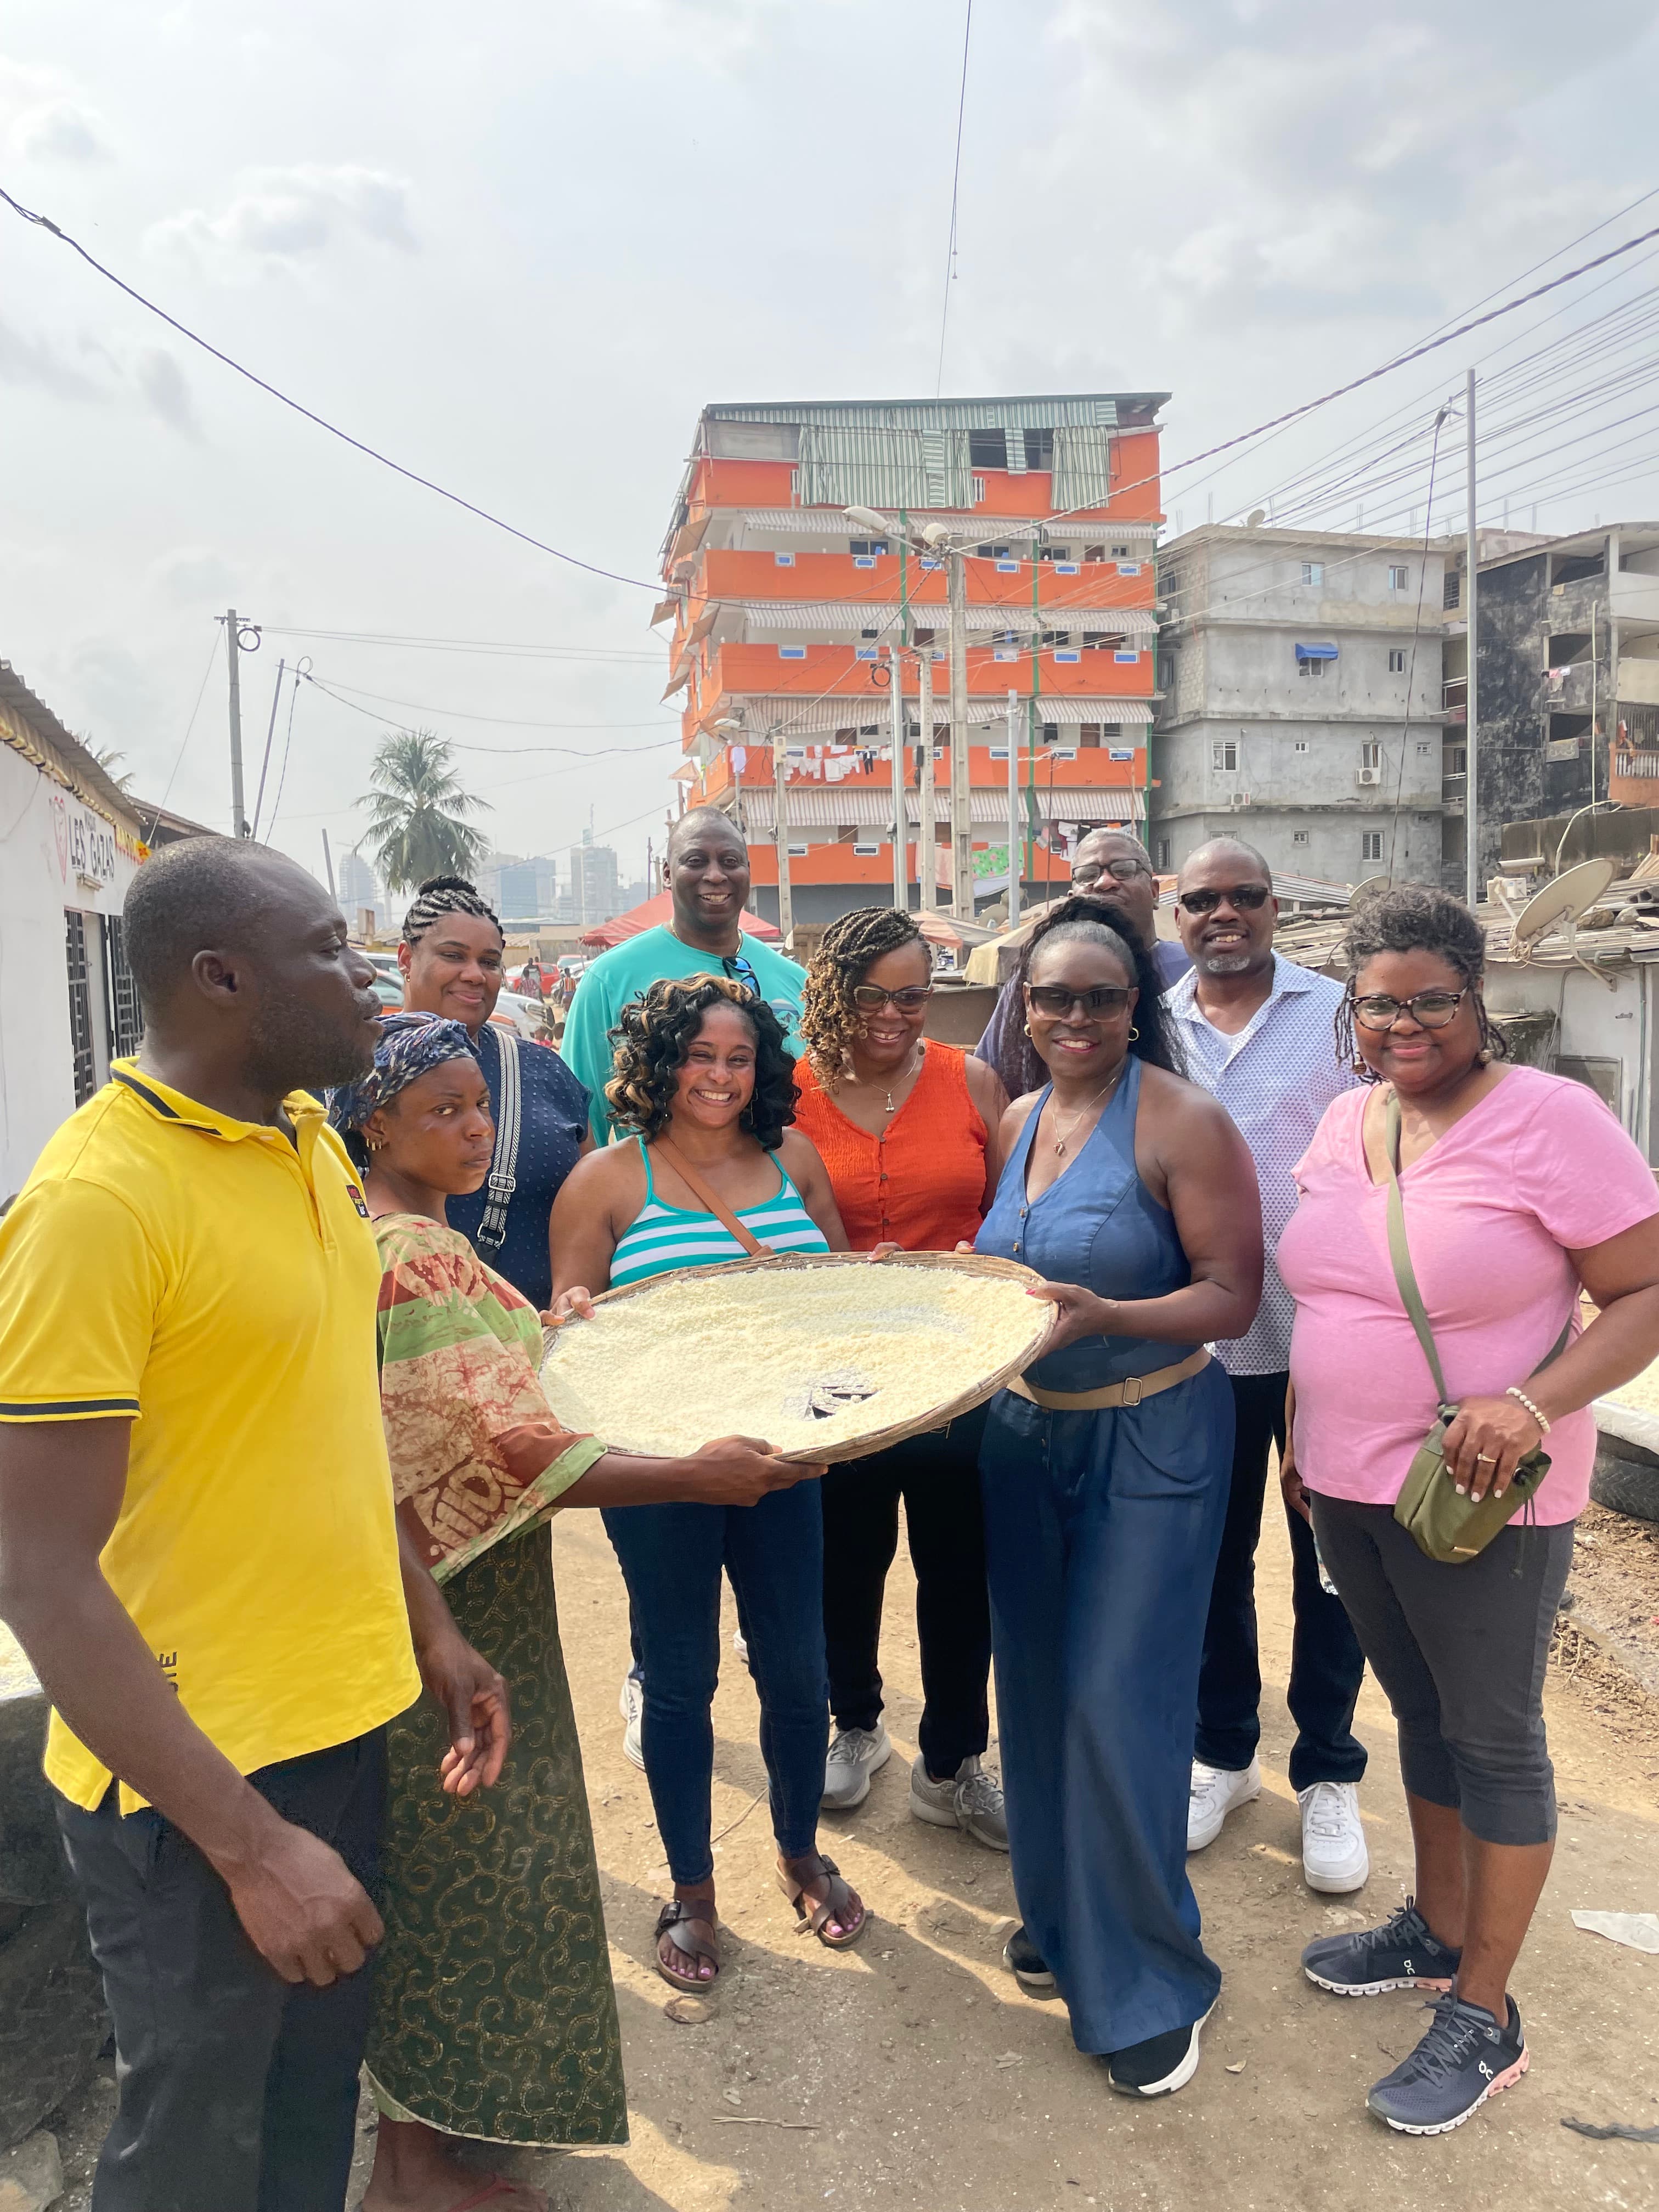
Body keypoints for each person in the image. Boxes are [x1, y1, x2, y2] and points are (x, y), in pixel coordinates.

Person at [0, 838, 502, 2212]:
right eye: (332, 954)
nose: (369, 983)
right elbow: (36, 1573)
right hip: (196, 1789)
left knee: (301, 2120)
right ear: (222, 976)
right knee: (193, 2156)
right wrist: (249, 1845)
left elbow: (325, 1421)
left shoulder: (300, 1145)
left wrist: (434, 1630)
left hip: (337, 1724)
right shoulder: (98, 1206)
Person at [329, 1011, 817, 2211]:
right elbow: (508, 1447)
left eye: (476, 1107)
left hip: (436, 1580)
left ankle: (437, 2134)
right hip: (459, 1588)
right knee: (468, 1861)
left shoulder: (399, 1238)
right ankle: (416, 2165)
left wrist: (549, 1331)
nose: (474, 1129)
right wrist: (695, 1473)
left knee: (459, 1854)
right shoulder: (414, 1252)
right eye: (441, 1112)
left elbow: (467, 1385)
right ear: (372, 1124)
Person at [1279, 885, 1659, 2135]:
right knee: (1422, 1716)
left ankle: (1485, 2013)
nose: (1404, 1026)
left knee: (1494, 1738)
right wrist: (1302, 1432)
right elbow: (1334, 1293)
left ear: (1476, 997)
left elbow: (1645, 1290)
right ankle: (1435, 1934)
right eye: (1379, 1005)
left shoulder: (1553, 1120)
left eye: (1431, 1000)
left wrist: (1536, 1404)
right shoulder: (1346, 1121)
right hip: (1348, 1482)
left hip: (1484, 1495)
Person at [974, 911, 1261, 2098]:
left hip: (1152, 1436)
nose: (1076, 1020)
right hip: (1025, 1435)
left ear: (1134, 1004)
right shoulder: (1019, 1119)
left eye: (1100, 998)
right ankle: (1065, 1912)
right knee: (1034, 1690)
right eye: (1055, 1000)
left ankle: (1150, 1979)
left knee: (1116, 1699)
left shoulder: (1183, 1121)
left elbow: (1233, 1297)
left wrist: (1109, 1315)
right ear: (1026, 1008)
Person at [549, 977, 869, 1989]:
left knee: (796, 1667)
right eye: (698, 1057)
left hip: (785, 1465)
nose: (719, 1077)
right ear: (657, 1063)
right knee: (679, 1677)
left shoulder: (794, 1161)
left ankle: (796, 1849)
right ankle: (691, 1886)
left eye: (737, 1059)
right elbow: (573, 1351)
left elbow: (846, 1302)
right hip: (665, 1477)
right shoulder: (605, 1181)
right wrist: (568, 1311)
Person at [1165, 839, 1370, 1891]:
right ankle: (1223, 1750)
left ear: (1272, 907)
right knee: (1211, 1558)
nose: (1223, 914)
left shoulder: (1337, 1013)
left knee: (1327, 1559)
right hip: (1204, 1343)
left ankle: (1328, 1768)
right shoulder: (1150, 1024)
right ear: (1178, 915)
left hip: (1326, 1342)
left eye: (1242, 896)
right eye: (1201, 899)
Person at [792, 906, 1012, 1846]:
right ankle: (854, 1725)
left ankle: (953, 1759)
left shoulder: (973, 1083)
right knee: (843, 1562)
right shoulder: (788, 1093)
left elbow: (1014, 1215)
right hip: (833, 1379)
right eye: (871, 995)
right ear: (830, 993)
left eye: (913, 995)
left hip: (956, 1376)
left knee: (958, 1569)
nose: (893, 1014)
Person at [397, 876, 590, 1314]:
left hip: (541, 1342)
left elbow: (594, 1206)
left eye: (489, 962)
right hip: (391, 1349)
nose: (474, 974)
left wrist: (575, 1293)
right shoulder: (351, 1073)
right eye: (453, 956)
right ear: (406, 959)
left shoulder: (544, 1070)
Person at [563, 808, 807, 1146]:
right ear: (667, 873)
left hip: (776, 1189)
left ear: (748, 872)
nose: (716, 875)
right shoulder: (609, 978)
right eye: (695, 861)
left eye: (730, 861)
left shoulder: (795, 981)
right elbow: (579, 1118)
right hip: (650, 1193)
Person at [972, 828, 1190, 1096]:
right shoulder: (1035, 976)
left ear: (1155, 892)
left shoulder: (1191, 972)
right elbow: (992, 1079)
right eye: (1088, 875)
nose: (1104, 882)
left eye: (1123, 870)